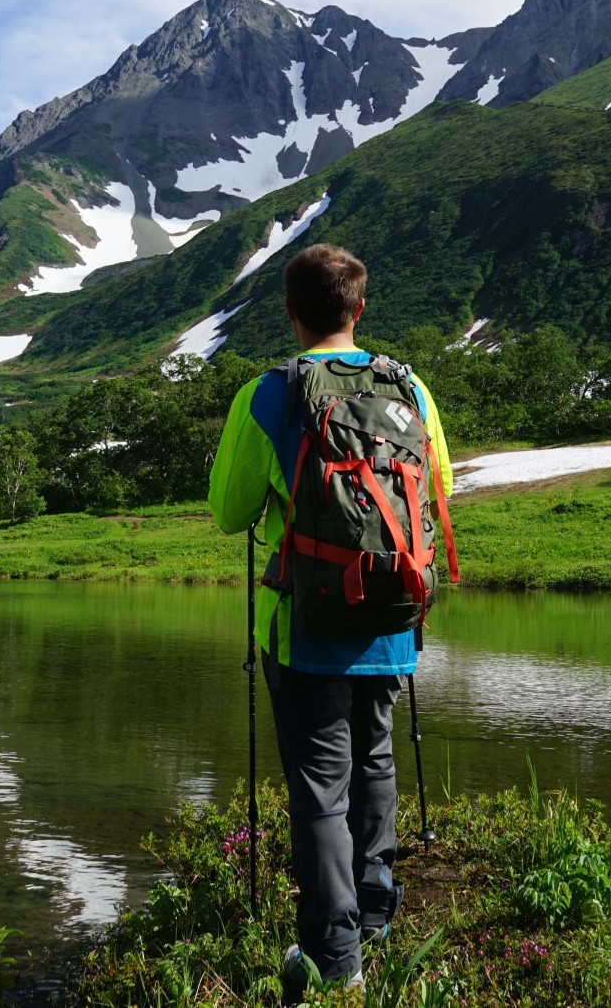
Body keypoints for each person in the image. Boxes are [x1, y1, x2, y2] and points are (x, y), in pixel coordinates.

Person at [208, 244, 454, 998]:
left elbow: (228, 512)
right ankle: (375, 913)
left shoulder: (270, 394)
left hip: (304, 625)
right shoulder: (408, 385)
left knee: (320, 788)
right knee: (373, 757)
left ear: (291, 313)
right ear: (360, 309)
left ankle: (332, 957)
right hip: (391, 613)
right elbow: (439, 483)